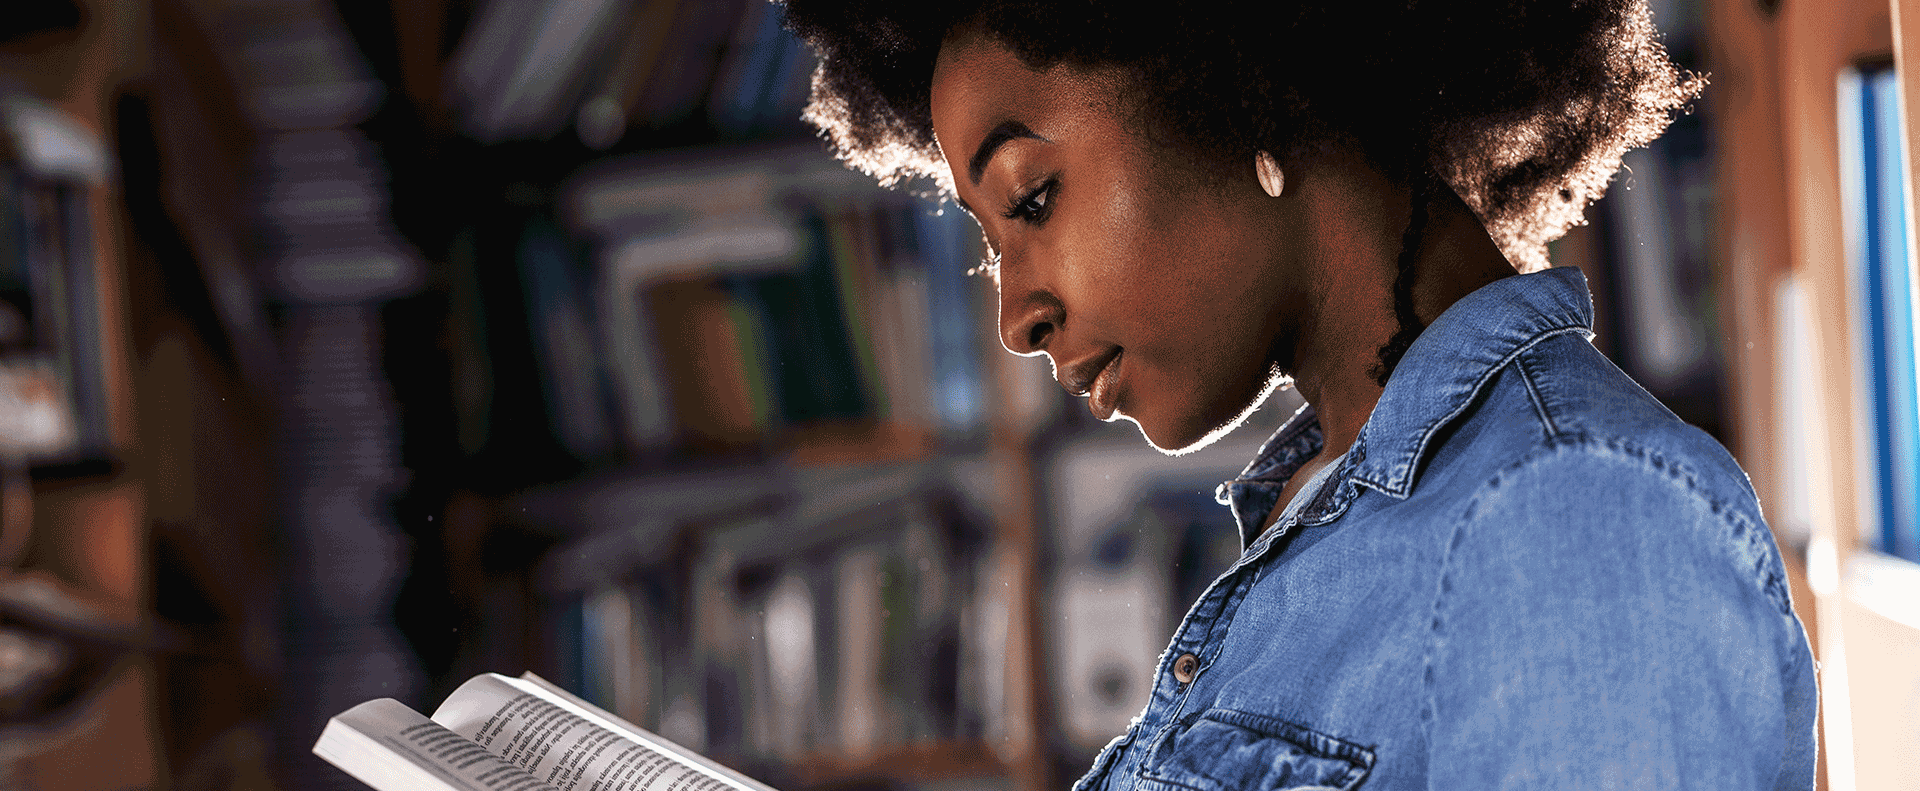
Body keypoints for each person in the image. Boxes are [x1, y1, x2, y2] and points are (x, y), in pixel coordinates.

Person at [783, 1, 1818, 788]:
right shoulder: (1336, 509)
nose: (1015, 316)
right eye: (987, 241)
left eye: (1032, 199)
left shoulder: (1575, 518)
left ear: (1239, 90)